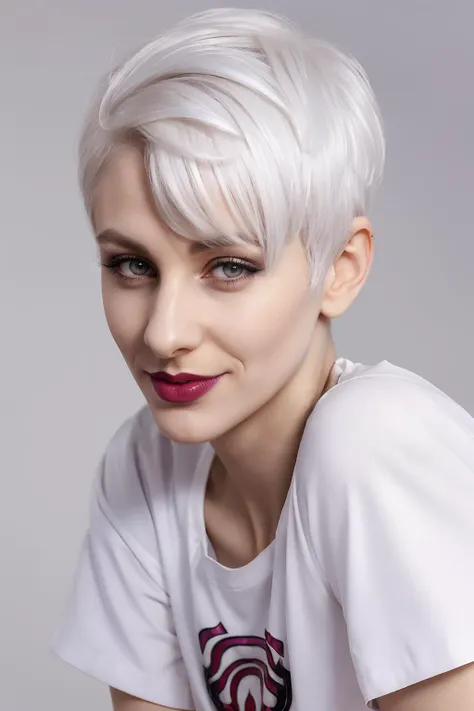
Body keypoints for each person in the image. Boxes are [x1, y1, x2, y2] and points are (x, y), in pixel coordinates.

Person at [50, 8, 474, 711]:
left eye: (229, 266)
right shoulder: (144, 468)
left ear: (339, 268)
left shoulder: (372, 443)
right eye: (131, 263)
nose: (164, 332)